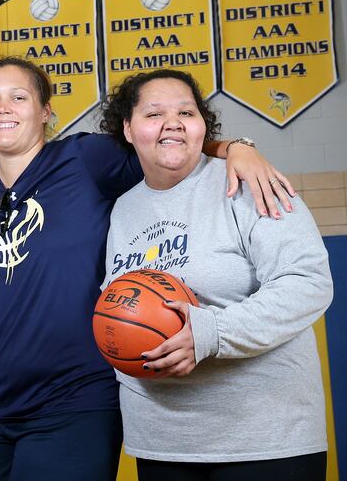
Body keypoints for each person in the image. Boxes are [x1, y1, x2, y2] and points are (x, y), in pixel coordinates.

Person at [0, 56, 296, 481]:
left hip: (73, 400)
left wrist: (236, 146)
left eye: (18, 97)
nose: (3, 108)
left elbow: (164, 143)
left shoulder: (85, 159)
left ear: (45, 111)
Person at [99, 69, 332, 480]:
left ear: (202, 126)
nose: (171, 122)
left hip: (264, 439)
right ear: (128, 129)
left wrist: (210, 333)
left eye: (186, 112)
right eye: (154, 113)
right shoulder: (123, 209)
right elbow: (121, 304)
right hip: (163, 442)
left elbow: (308, 281)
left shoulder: (247, 182)